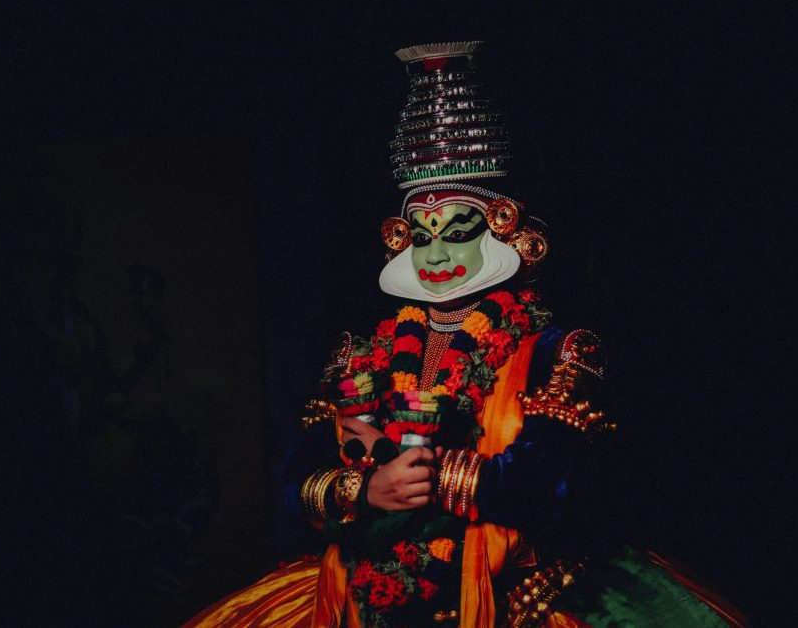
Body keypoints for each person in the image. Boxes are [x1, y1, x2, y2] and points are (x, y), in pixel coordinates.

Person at [182, 42, 745, 627]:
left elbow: (555, 483)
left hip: (520, 598)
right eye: (422, 235)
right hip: (370, 593)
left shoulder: (559, 349)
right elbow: (305, 470)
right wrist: (368, 490)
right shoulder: (367, 352)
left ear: (503, 229)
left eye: (457, 229)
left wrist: (431, 478)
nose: (438, 253)